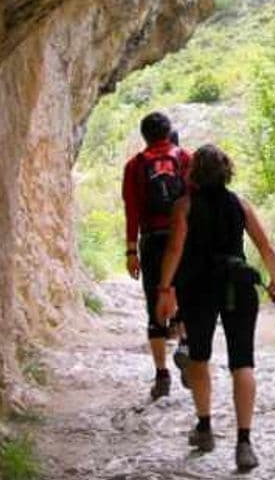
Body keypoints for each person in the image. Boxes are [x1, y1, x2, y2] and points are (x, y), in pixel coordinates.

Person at [155, 143, 275, 472]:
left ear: (194, 172)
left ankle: (205, 427)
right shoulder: (240, 205)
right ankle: (244, 442)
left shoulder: (184, 206)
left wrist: (165, 289)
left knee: (198, 358)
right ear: (227, 171)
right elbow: (267, 248)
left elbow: (174, 249)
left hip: (198, 289)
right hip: (239, 286)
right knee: (243, 363)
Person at [122, 111, 191, 401]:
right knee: (184, 294)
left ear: (145, 135)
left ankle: (161, 375)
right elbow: (193, 199)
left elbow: (132, 210)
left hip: (151, 239)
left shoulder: (135, 166)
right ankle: (186, 345)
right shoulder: (186, 158)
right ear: (168, 132)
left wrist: (131, 250)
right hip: (182, 236)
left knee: (154, 303)